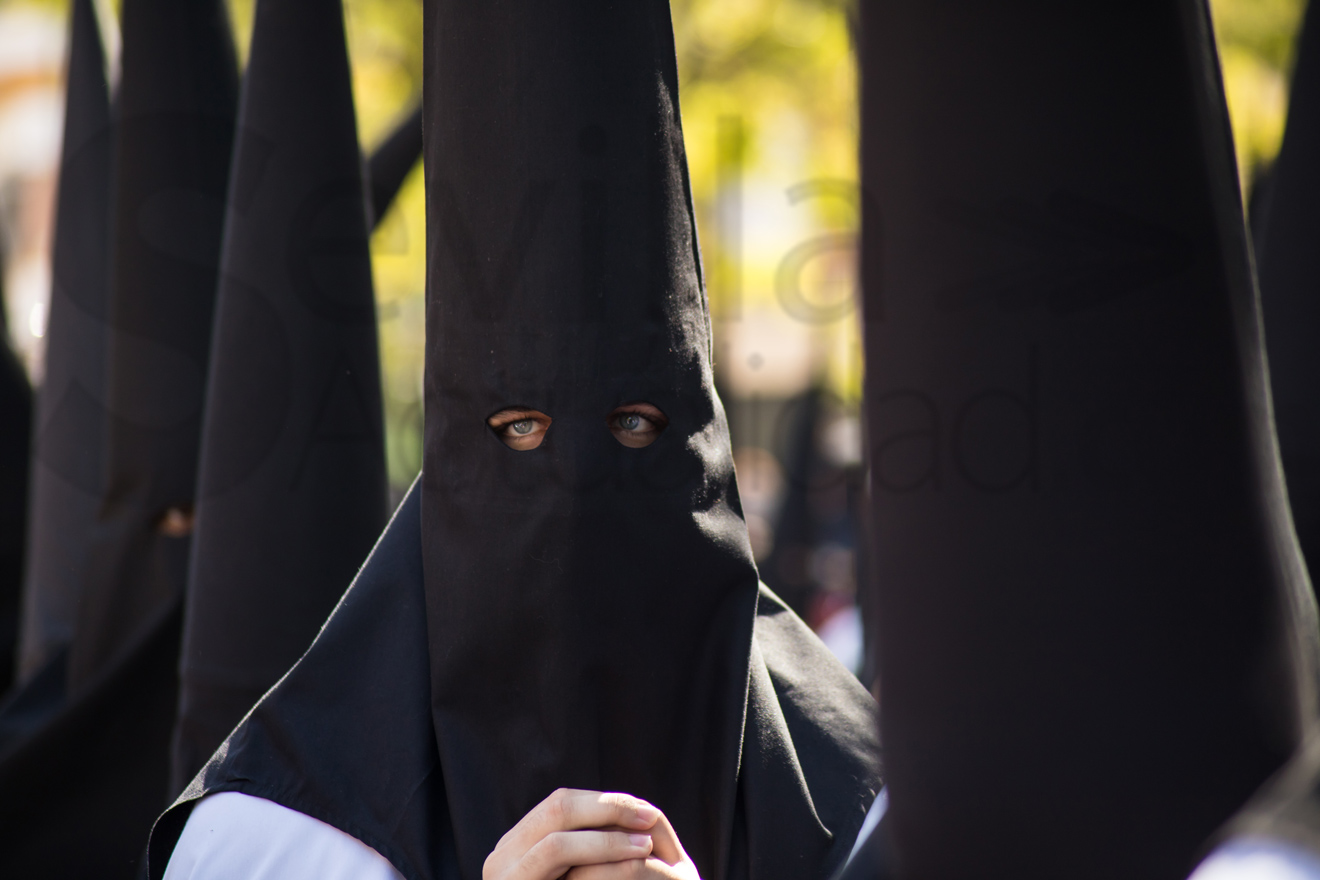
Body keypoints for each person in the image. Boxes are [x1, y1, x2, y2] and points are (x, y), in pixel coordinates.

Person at [149, 0, 883, 878]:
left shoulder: (866, 816)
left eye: (635, 427)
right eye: (521, 431)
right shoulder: (276, 844)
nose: (576, 486)